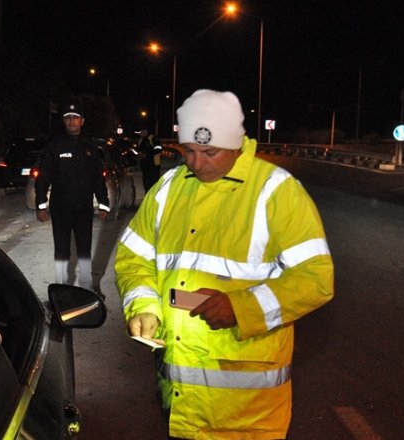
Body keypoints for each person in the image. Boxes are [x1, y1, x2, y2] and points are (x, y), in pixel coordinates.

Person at [114, 89, 334, 439]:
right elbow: (134, 257)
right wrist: (143, 307)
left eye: (210, 152)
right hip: (181, 403)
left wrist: (242, 308)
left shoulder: (277, 191)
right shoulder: (169, 188)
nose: (197, 164)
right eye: (188, 151)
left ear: (236, 144)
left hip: (248, 416)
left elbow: (315, 279)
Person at [35, 101, 110, 290]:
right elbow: (43, 178)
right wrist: (40, 205)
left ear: (82, 121)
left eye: (75, 118)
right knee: (61, 248)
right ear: (63, 121)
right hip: (60, 207)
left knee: (84, 247)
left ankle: (87, 286)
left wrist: (103, 203)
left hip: (83, 207)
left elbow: (97, 179)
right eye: (67, 118)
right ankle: (61, 286)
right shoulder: (54, 146)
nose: (71, 122)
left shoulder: (90, 147)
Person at [137, 127, 161, 193]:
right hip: (145, 166)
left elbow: (158, 149)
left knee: (153, 183)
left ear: (145, 131)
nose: (140, 134)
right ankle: (148, 197)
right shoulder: (140, 141)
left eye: (141, 132)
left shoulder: (152, 138)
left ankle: (154, 198)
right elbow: (139, 151)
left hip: (154, 165)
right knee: (146, 184)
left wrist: (147, 154)